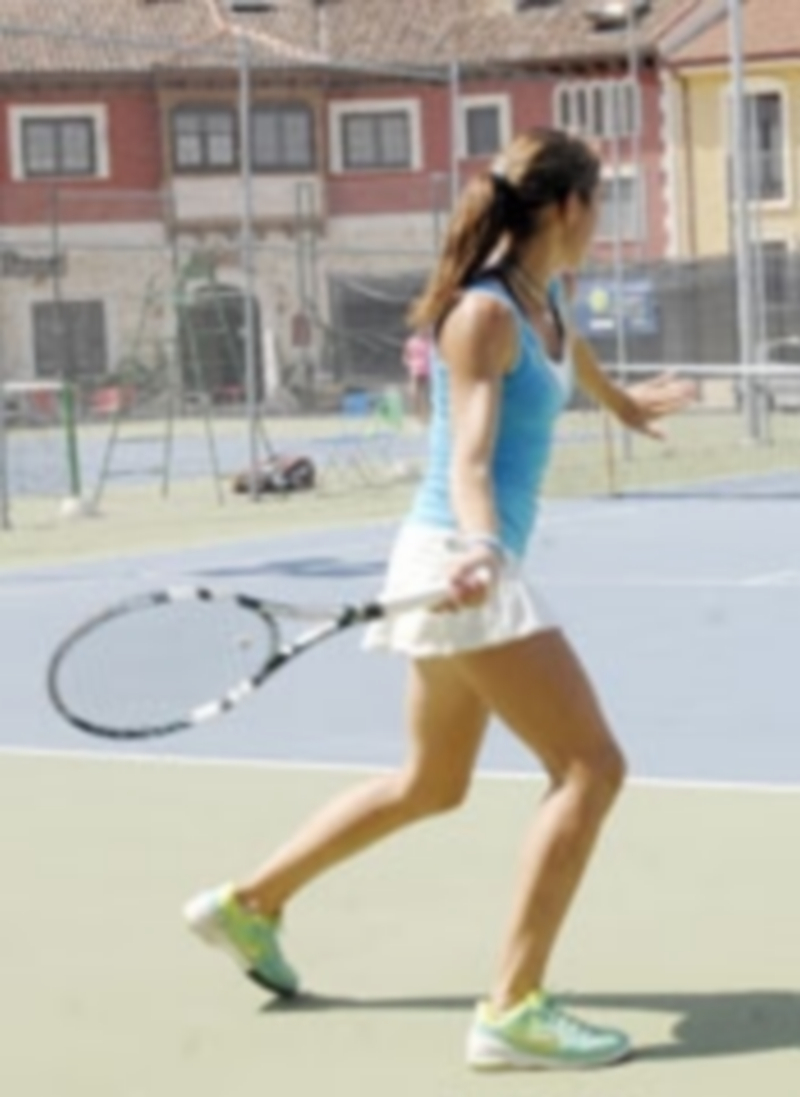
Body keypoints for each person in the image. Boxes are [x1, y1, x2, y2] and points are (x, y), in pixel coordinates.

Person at [183, 129, 695, 1071]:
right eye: (602, 204)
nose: (604, 222)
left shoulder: (544, 300)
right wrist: (482, 547)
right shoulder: (482, 315)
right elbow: (467, 454)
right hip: (456, 556)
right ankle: (513, 1007)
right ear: (570, 207)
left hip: (463, 560)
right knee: (592, 766)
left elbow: (569, 354)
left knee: (431, 783)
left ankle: (247, 904)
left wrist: (621, 403)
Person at [402, 329, 432, 423]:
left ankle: (425, 414)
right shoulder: (412, 342)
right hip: (416, 369)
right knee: (415, 393)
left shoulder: (430, 342)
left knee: (425, 394)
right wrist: (409, 363)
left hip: (428, 370)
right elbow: (405, 356)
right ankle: (417, 413)